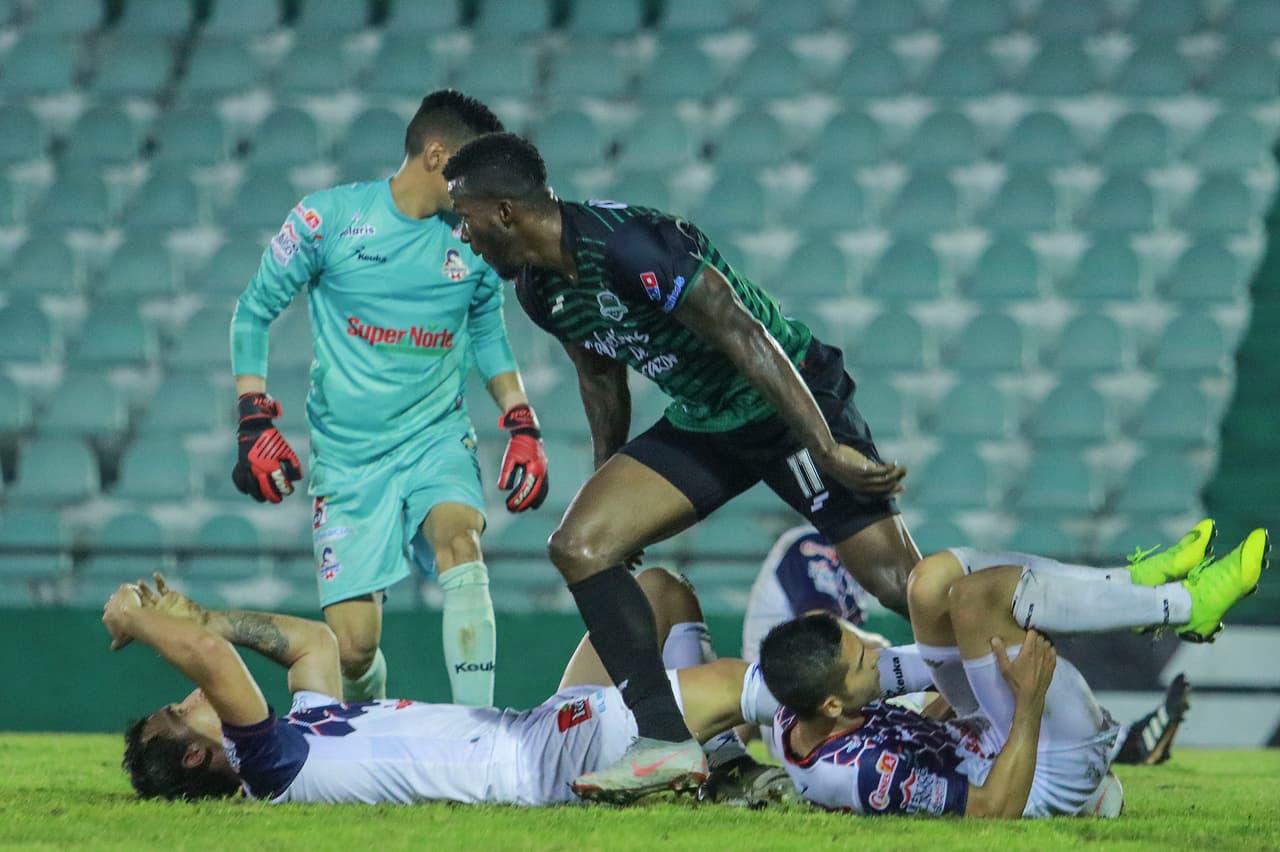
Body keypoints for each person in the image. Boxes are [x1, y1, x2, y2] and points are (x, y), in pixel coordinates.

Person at [441, 131, 920, 800]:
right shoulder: (539, 289)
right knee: (582, 545)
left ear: (504, 211)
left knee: (899, 583)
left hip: (784, 400)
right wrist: (610, 483)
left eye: (463, 216)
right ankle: (666, 741)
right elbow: (600, 376)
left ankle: (1003, 686)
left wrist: (824, 444)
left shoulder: (631, 245)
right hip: (706, 419)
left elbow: (743, 333)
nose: (462, 235)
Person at [229, 92, 550, 708]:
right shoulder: (327, 221)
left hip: (435, 438)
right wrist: (252, 418)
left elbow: (486, 330)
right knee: (353, 649)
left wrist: (521, 421)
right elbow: (253, 311)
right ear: (437, 156)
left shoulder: (474, 239)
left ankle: (475, 732)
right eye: (472, 168)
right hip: (349, 458)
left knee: (462, 546)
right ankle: (371, 724)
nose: (483, 187)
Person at [108, 571, 786, 806]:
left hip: (531, 727)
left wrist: (205, 617)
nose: (188, 696)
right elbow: (212, 660)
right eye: (178, 710)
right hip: (540, 765)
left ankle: (723, 764)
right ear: (196, 753)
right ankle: (844, 721)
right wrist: (134, 619)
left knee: (657, 593)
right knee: (734, 681)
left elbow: (314, 643)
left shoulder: (296, 734)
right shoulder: (265, 767)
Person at [756, 522, 1268, 818]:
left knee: (930, 582)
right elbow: (993, 809)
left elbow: (723, 687)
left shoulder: (796, 706)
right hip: (1039, 773)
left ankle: (1130, 583)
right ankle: (1183, 606)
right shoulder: (863, 775)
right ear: (831, 704)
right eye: (865, 660)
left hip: (982, 731)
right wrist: (1026, 705)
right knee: (979, 598)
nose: (879, 656)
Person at [743, 524, 1195, 765]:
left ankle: (1115, 738)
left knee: (966, 656)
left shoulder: (854, 559)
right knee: (971, 664)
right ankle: (1117, 743)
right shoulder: (811, 546)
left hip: (842, 697)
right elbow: (823, 633)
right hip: (822, 710)